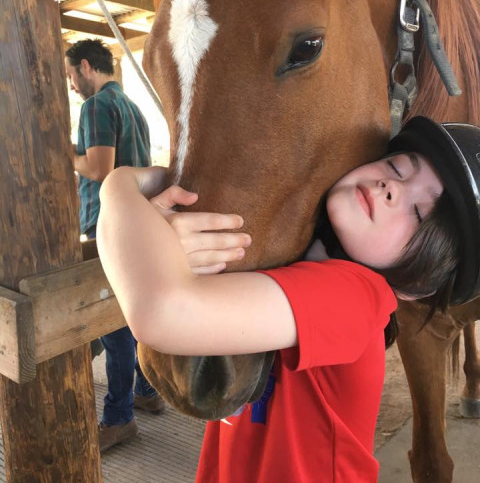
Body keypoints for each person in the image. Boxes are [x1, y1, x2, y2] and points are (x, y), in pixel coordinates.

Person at [96, 116, 480, 481]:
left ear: (418, 285)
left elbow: (163, 311)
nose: (391, 187)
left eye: (417, 213)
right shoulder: (293, 266)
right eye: (397, 167)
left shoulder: (357, 297)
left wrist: (117, 191)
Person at [65, 38, 165, 453]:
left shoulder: (95, 107)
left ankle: (119, 417)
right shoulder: (132, 108)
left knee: (115, 327)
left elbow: (101, 169)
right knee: (133, 312)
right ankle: (146, 389)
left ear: (86, 67)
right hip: (138, 219)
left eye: (71, 76)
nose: (72, 85)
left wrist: (63, 155)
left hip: (108, 223)